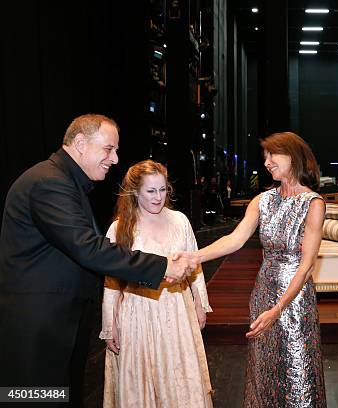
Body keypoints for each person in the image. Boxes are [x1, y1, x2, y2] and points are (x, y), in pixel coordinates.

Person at [0, 114, 195, 406]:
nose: (115, 159)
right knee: (33, 399)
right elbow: (89, 249)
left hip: (55, 321)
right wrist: (163, 265)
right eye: (108, 149)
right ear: (80, 143)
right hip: (39, 327)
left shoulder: (62, 181)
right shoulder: (49, 183)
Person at [176, 132, 327, 407]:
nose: (267, 162)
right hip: (263, 293)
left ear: (292, 156)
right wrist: (194, 257)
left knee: (297, 370)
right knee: (264, 368)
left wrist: (279, 309)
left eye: (273, 155)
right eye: (265, 157)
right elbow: (234, 239)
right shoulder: (263, 200)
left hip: (294, 300)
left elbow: (306, 267)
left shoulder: (313, 204)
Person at [100, 160, 214, 407]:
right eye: (151, 191)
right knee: (140, 379)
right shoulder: (120, 228)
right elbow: (111, 282)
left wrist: (200, 302)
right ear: (135, 191)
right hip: (137, 313)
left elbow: (195, 264)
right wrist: (110, 325)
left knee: (180, 376)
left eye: (162, 190)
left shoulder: (180, 220)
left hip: (177, 311)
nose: (158, 197)